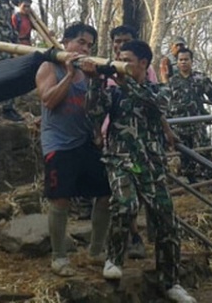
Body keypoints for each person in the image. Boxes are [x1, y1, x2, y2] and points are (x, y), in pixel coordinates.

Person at [87, 39, 196, 303]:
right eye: (119, 59)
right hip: (120, 160)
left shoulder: (160, 90)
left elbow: (157, 105)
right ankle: (113, 258)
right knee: (125, 205)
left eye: (128, 61)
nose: (122, 65)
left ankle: (170, 282)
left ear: (143, 64)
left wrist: (125, 82)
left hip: (152, 165)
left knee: (166, 220)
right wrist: (95, 81)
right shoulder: (114, 93)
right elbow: (93, 111)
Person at [36, 22, 111, 277]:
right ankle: (59, 257)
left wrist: (94, 81)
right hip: (58, 142)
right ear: (66, 42)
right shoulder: (49, 67)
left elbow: (96, 108)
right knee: (61, 198)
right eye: (81, 42)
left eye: (89, 45)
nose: (85, 48)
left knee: (106, 193)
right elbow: (49, 100)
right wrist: (68, 74)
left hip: (85, 141)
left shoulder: (89, 73)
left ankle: (96, 250)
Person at [104, 24, 156, 259]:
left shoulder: (147, 72)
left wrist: (166, 131)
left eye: (125, 41)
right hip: (111, 141)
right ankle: (114, 248)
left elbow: (154, 103)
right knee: (118, 196)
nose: (120, 45)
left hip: (140, 143)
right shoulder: (105, 69)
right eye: (117, 41)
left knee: (134, 196)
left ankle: (133, 236)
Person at [168, 48, 212, 184]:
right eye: (180, 60)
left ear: (191, 61)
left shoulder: (200, 78)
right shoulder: (172, 82)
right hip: (179, 125)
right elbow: (166, 101)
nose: (183, 62)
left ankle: (209, 182)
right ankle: (192, 185)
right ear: (177, 62)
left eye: (186, 59)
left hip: (198, 123)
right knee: (184, 156)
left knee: (204, 152)